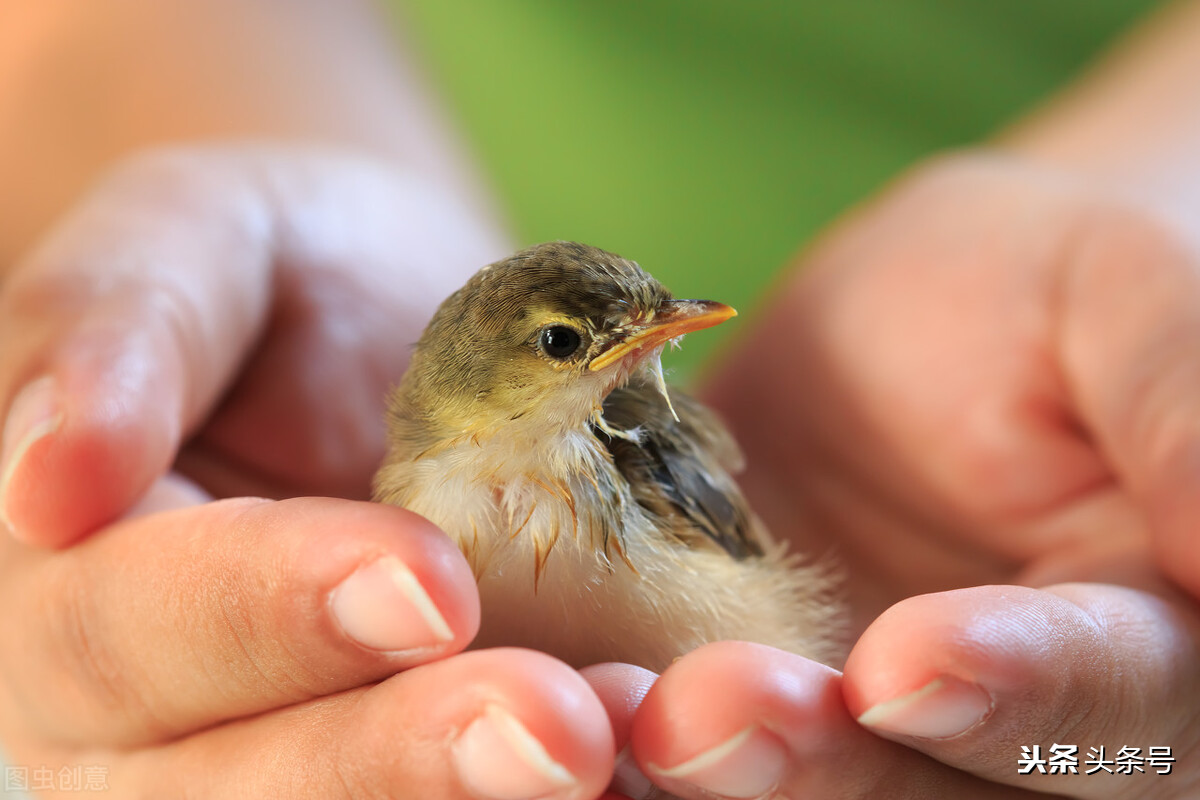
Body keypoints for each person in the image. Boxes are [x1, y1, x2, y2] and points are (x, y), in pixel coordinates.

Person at [1, 1, 1198, 798]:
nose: (637, 354)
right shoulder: (409, 493)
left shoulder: (639, 450)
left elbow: (758, 594)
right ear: (489, 373)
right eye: (575, 342)